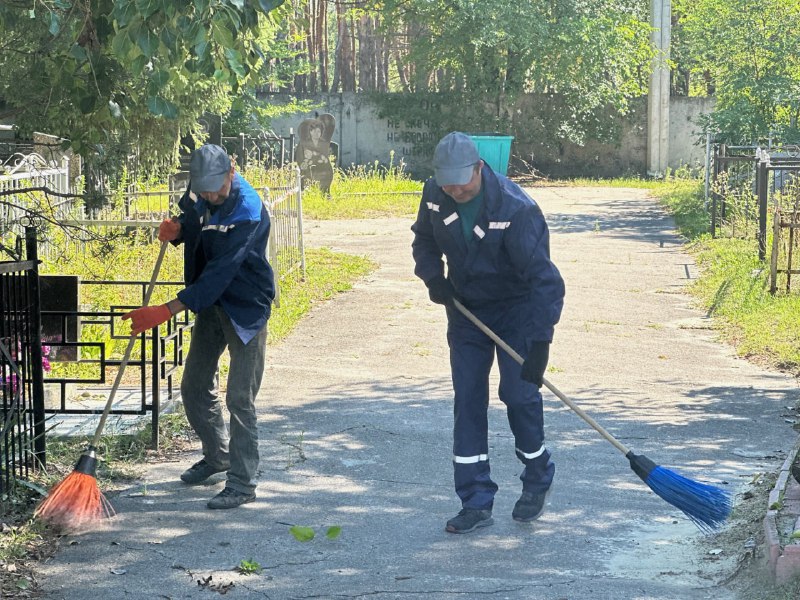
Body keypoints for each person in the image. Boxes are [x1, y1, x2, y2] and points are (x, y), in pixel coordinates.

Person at [411, 132, 565, 534]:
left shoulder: (516, 208)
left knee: (518, 394)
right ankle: (475, 500)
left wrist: (540, 341)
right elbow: (424, 240)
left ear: (479, 168)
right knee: (468, 398)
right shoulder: (435, 194)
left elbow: (544, 280)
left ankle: (538, 476)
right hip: (466, 312)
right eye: (447, 182)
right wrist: (434, 278)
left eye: (462, 180)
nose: (455, 189)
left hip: (515, 312)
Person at [122, 144, 274, 510]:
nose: (209, 195)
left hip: (244, 308)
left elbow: (220, 273)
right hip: (211, 305)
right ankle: (218, 455)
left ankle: (242, 482)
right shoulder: (197, 191)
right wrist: (177, 231)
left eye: (216, 188)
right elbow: (194, 221)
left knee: (239, 397)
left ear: (231, 172)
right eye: (203, 188)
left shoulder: (247, 212)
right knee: (193, 386)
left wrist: (166, 309)